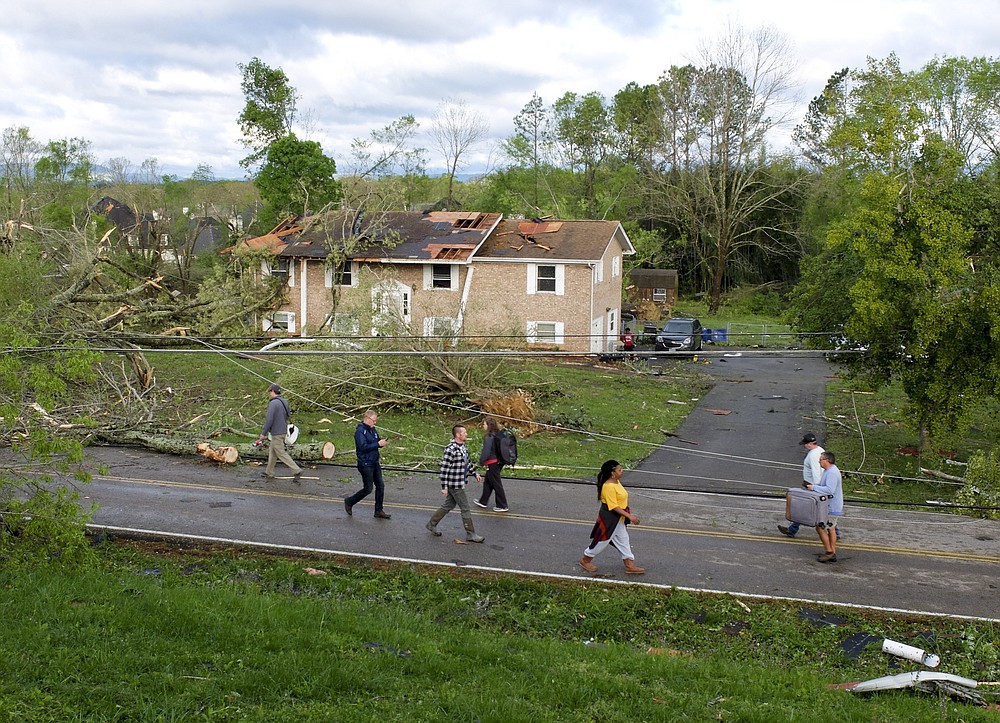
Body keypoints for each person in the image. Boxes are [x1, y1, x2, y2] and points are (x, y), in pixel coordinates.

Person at [580, 460, 645, 575]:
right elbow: (614, 506)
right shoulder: (608, 486)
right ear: (612, 473)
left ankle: (629, 565)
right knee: (602, 541)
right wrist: (630, 516)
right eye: (619, 470)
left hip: (619, 519)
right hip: (610, 518)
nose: (622, 471)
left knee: (623, 540)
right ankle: (585, 560)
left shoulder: (616, 482)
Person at [426, 424, 484, 542]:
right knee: (465, 508)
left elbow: (467, 463)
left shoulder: (463, 447)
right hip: (454, 484)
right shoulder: (450, 449)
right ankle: (470, 533)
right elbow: (444, 469)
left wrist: (475, 473)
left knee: (448, 505)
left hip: (460, 482)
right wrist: (444, 487)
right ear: (458, 435)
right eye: (464, 432)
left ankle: (431, 524)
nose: (466, 434)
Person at [344, 409, 391, 519]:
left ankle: (379, 510)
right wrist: (377, 444)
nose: (375, 423)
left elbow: (376, 441)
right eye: (374, 420)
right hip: (365, 463)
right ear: (367, 418)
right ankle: (350, 501)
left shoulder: (372, 430)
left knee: (380, 486)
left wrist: (381, 443)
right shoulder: (360, 431)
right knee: (368, 488)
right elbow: (363, 447)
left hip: (374, 462)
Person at [778, 432, 824, 538]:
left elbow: (816, 473)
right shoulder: (820, 450)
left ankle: (792, 530)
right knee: (818, 509)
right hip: (812, 485)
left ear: (809, 444)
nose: (804, 446)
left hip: (811, 485)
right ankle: (792, 529)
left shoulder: (812, 455)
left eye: (805, 444)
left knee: (802, 507)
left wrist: (815, 488)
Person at [257, 383, 301, 482]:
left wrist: (263, 433)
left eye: (270, 392)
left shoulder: (273, 403)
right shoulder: (285, 402)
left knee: (281, 453)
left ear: (273, 391)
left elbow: (269, 419)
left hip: (276, 432)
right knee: (272, 451)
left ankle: (296, 470)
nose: (270, 394)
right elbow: (287, 415)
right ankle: (269, 472)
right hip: (283, 430)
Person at [809, 451, 844, 563]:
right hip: (830, 506)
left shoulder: (832, 473)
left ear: (827, 460)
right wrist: (812, 486)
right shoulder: (828, 471)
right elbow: (822, 485)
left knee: (820, 527)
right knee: (831, 529)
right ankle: (832, 552)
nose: (819, 461)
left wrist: (814, 487)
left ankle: (829, 552)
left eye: (821, 459)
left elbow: (830, 490)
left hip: (831, 507)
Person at [474, 417, 508, 512]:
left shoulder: (489, 437)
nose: (483, 426)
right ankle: (483, 501)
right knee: (488, 482)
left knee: (496, 484)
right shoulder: (497, 435)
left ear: (489, 425)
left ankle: (502, 505)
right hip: (498, 462)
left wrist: (481, 462)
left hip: (493, 463)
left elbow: (486, 451)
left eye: (484, 424)